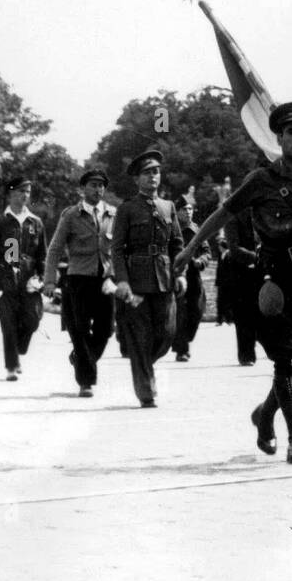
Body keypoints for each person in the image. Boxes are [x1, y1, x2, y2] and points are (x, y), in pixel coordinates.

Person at [175, 100, 292, 464]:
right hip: (272, 277)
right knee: (287, 356)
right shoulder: (261, 180)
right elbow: (222, 213)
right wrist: (190, 249)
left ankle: (265, 416)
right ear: (278, 138)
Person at [109, 148, 184, 408]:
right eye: (147, 173)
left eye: (156, 172)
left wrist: (180, 273)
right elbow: (117, 249)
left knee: (166, 334)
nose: (153, 177)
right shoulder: (127, 209)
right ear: (137, 179)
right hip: (137, 280)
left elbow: (177, 244)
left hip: (164, 278)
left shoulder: (168, 206)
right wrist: (122, 280)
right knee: (140, 337)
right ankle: (146, 390)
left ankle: (141, 364)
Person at [45, 166, 116, 397]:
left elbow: (120, 248)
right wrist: (49, 281)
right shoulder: (71, 215)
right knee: (80, 329)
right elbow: (55, 248)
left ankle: (80, 358)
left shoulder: (113, 214)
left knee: (105, 329)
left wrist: (117, 276)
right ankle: (86, 381)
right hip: (78, 279)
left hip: (105, 280)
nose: (98, 189)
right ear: (82, 189)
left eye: (101, 185)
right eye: (93, 185)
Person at [0, 175, 47, 383]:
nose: (25, 195)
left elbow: (42, 255)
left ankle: (19, 348)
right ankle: (11, 365)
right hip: (6, 279)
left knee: (32, 319)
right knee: (8, 324)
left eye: (27, 192)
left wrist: (43, 277)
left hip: (29, 281)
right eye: (20, 191)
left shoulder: (35, 222)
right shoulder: (1, 222)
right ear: (11, 194)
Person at [217, 209, 259, 366]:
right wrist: (257, 257)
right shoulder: (234, 218)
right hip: (240, 273)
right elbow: (234, 248)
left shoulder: (262, 214)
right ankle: (246, 354)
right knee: (244, 315)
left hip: (261, 270)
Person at [172, 196, 208, 363]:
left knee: (197, 311)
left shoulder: (197, 229)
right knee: (181, 313)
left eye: (190, 209)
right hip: (177, 276)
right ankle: (182, 350)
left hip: (194, 275)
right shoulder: (171, 229)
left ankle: (183, 340)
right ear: (177, 212)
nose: (188, 212)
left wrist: (201, 261)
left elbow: (207, 252)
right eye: (184, 209)